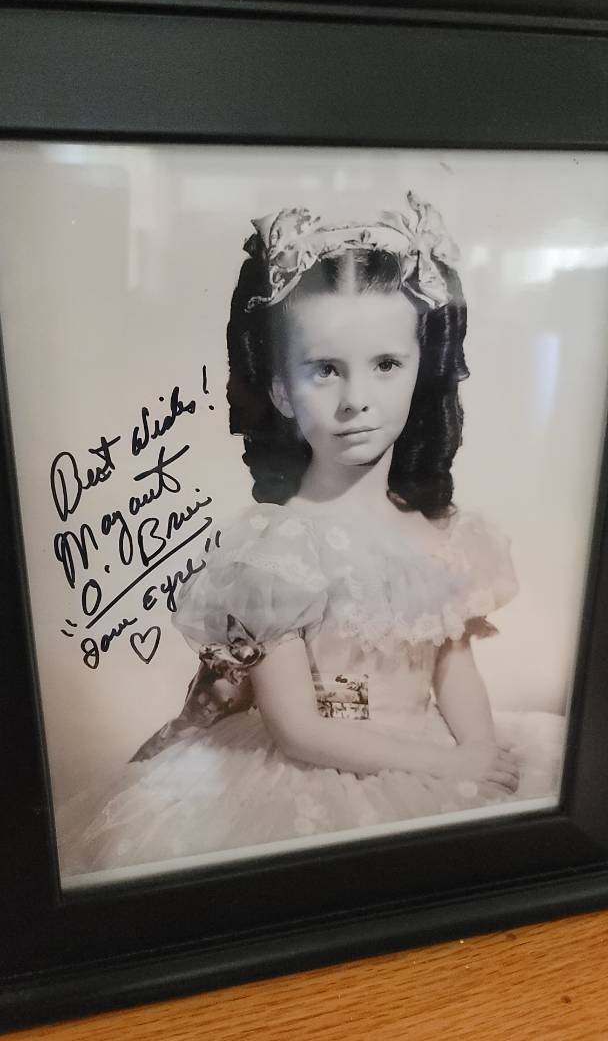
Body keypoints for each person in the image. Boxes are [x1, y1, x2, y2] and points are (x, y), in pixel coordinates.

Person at [59, 194, 564, 875]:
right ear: (280, 390)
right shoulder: (274, 551)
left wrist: (475, 750)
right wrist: (446, 764)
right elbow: (298, 729)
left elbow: (453, 669)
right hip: (316, 772)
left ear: (421, 367)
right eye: (326, 369)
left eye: (386, 364)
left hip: (431, 755)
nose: (356, 399)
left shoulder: (443, 535)